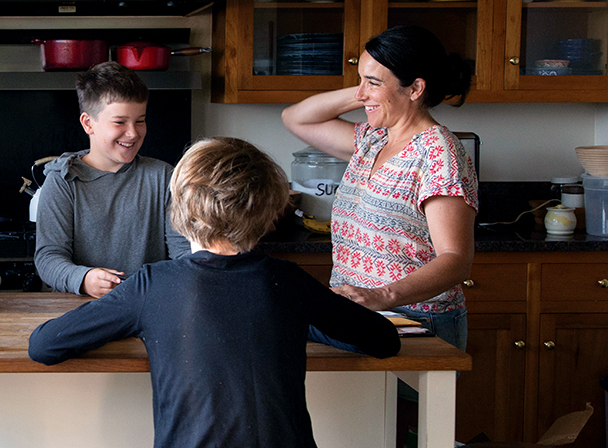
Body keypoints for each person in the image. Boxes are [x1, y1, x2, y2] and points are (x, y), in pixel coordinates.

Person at [29, 137, 400, 448]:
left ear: (180, 207)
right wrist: (304, 321)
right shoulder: (288, 282)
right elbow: (384, 339)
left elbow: (44, 345)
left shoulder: (152, 286)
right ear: (269, 210)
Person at [281, 24, 478, 352]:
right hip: (359, 315)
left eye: (372, 82)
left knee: (408, 407)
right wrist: (370, 86)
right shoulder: (372, 140)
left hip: (416, 321)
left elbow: (456, 259)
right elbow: (295, 118)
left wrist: (382, 295)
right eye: (361, 80)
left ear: (415, 88)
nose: (360, 94)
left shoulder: (438, 153)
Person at [34, 61, 190, 298]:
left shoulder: (164, 177)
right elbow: (48, 259)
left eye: (140, 120)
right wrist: (83, 279)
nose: (134, 133)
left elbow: (184, 253)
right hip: (79, 307)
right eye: (120, 122)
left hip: (148, 304)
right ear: (88, 124)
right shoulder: (62, 181)